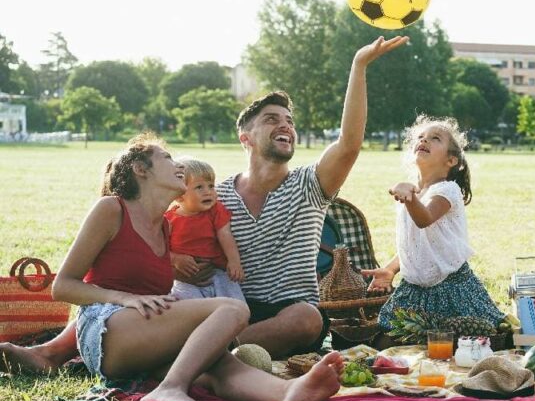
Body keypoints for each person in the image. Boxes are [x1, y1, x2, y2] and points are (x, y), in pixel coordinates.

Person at [0, 35, 408, 373]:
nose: (285, 125)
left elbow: (350, 143)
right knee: (157, 296)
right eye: (271, 119)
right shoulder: (214, 191)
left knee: (307, 319)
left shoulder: (309, 185)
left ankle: (173, 356)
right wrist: (176, 258)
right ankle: (53, 351)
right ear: (245, 138)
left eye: (289, 121)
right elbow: (153, 232)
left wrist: (358, 67)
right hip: (218, 302)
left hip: (281, 313)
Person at [22, 134, 345, 401]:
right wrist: (123, 298)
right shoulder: (112, 208)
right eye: (166, 157)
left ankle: (287, 392)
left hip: (143, 335)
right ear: (140, 170)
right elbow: (63, 286)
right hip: (105, 328)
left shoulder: (165, 225)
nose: (178, 165)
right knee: (232, 308)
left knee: (217, 364)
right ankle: (170, 389)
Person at [363, 116, 506, 330]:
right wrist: (391, 270)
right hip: (414, 289)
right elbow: (416, 243)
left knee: (467, 341)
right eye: (420, 137)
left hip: (452, 288)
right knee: (385, 337)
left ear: (451, 161)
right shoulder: (413, 194)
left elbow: (425, 219)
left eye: (435, 138)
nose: (424, 140)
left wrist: (409, 197)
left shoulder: (447, 190)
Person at [165, 157, 245, 302]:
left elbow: (225, 235)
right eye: (199, 187)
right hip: (185, 277)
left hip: (217, 271)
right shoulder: (168, 220)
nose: (208, 192)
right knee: (190, 309)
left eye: (211, 186)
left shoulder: (215, 211)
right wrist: (175, 259)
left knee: (235, 303)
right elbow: (159, 249)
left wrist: (234, 261)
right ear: (178, 195)